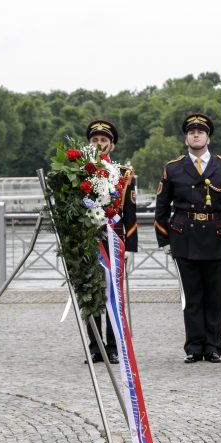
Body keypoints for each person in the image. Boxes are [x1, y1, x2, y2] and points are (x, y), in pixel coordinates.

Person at [154, 113, 221, 363]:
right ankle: (194, 347)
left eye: (201, 132)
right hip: (185, 237)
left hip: (217, 236)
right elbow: (161, 208)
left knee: (215, 297)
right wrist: (163, 240)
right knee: (191, 297)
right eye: (192, 132)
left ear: (208, 137)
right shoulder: (173, 168)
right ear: (186, 138)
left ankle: (214, 346)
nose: (196, 135)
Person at [82, 119, 138, 364]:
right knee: (90, 294)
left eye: (104, 140)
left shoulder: (124, 174)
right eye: (95, 140)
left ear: (111, 146)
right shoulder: (77, 172)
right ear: (89, 144)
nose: (99, 144)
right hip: (87, 241)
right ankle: (95, 348)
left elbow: (130, 213)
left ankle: (113, 347)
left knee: (113, 296)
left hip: (114, 240)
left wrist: (131, 247)